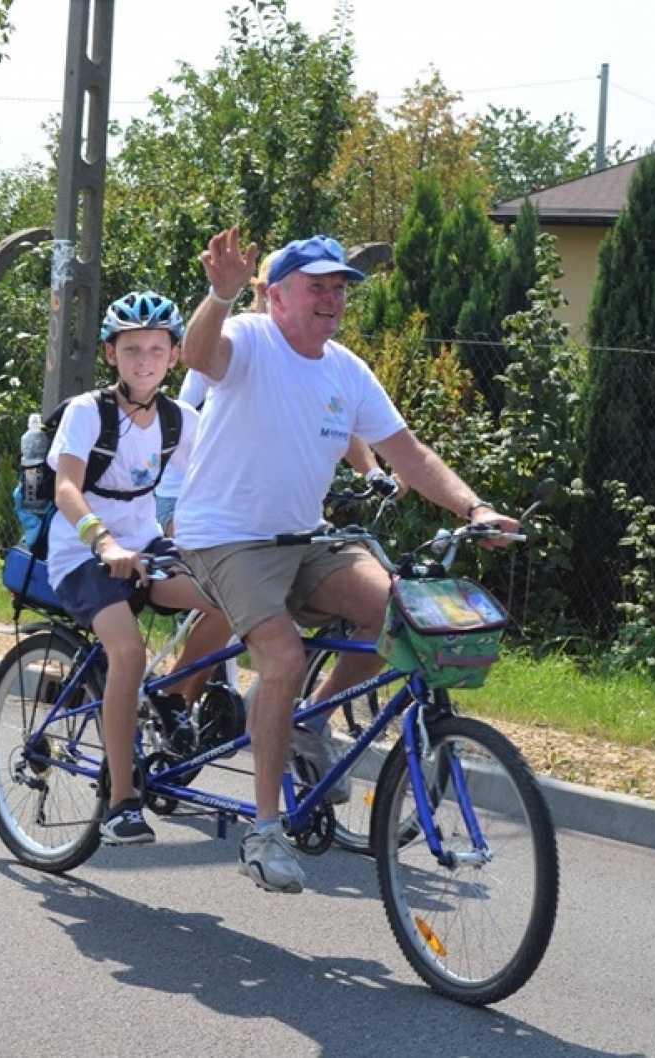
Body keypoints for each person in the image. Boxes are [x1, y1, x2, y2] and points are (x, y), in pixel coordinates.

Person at [176, 227, 519, 894]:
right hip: (226, 537)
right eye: (318, 287)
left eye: (340, 288)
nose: (333, 298)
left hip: (303, 537)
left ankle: (310, 718)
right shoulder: (249, 338)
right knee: (282, 660)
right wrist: (219, 296)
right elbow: (197, 354)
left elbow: (409, 453)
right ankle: (264, 832)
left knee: (398, 611)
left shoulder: (346, 369)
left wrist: (474, 508)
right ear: (277, 296)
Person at [47, 291, 232, 846]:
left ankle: (173, 698)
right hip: (82, 554)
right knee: (126, 652)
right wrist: (103, 544)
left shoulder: (180, 420)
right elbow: (66, 488)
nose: (144, 360)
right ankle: (121, 802)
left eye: (156, 349)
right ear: (111, 354)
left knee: (230, 600)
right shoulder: (88, 412)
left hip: (147, 546)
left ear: (175, 356)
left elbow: (217, 482)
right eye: (131, 349)